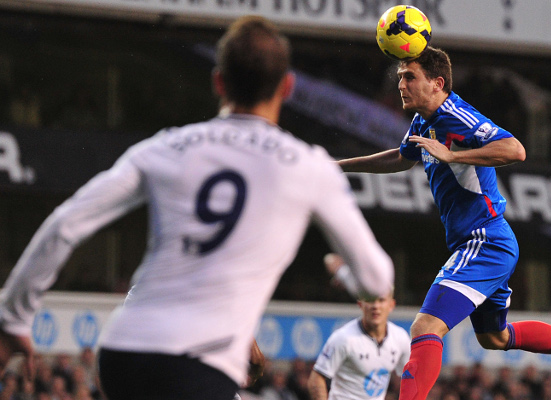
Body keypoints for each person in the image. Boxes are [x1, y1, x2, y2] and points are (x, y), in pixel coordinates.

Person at [0, 16, 395, 400]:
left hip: (122, 355)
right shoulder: (309, 166)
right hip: (197, 363)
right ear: (287, 87)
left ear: (218, 82)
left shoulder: (166, 146)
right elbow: (377, 277)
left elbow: (65, 224)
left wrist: (13, 317)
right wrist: (342, 274)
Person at [336, 46, 551, 400]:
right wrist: (341, 165)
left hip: (483, 241)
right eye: (399, 78)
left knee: (425, 327)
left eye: (409, 77)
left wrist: (453, 154)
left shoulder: (456, 115)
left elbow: (515, 149)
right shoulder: (426, 119)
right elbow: (402, 156)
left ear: (437, 83)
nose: (401, 85)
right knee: (494, 338)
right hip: (486, 241)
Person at [307, 254, 411, 400]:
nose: (375, 306)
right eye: (370, 300)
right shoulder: (344, 338)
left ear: (391, 305)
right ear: (360, 305)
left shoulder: (400, 338)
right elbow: (316, 379)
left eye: (381, 300)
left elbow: (411, 378)